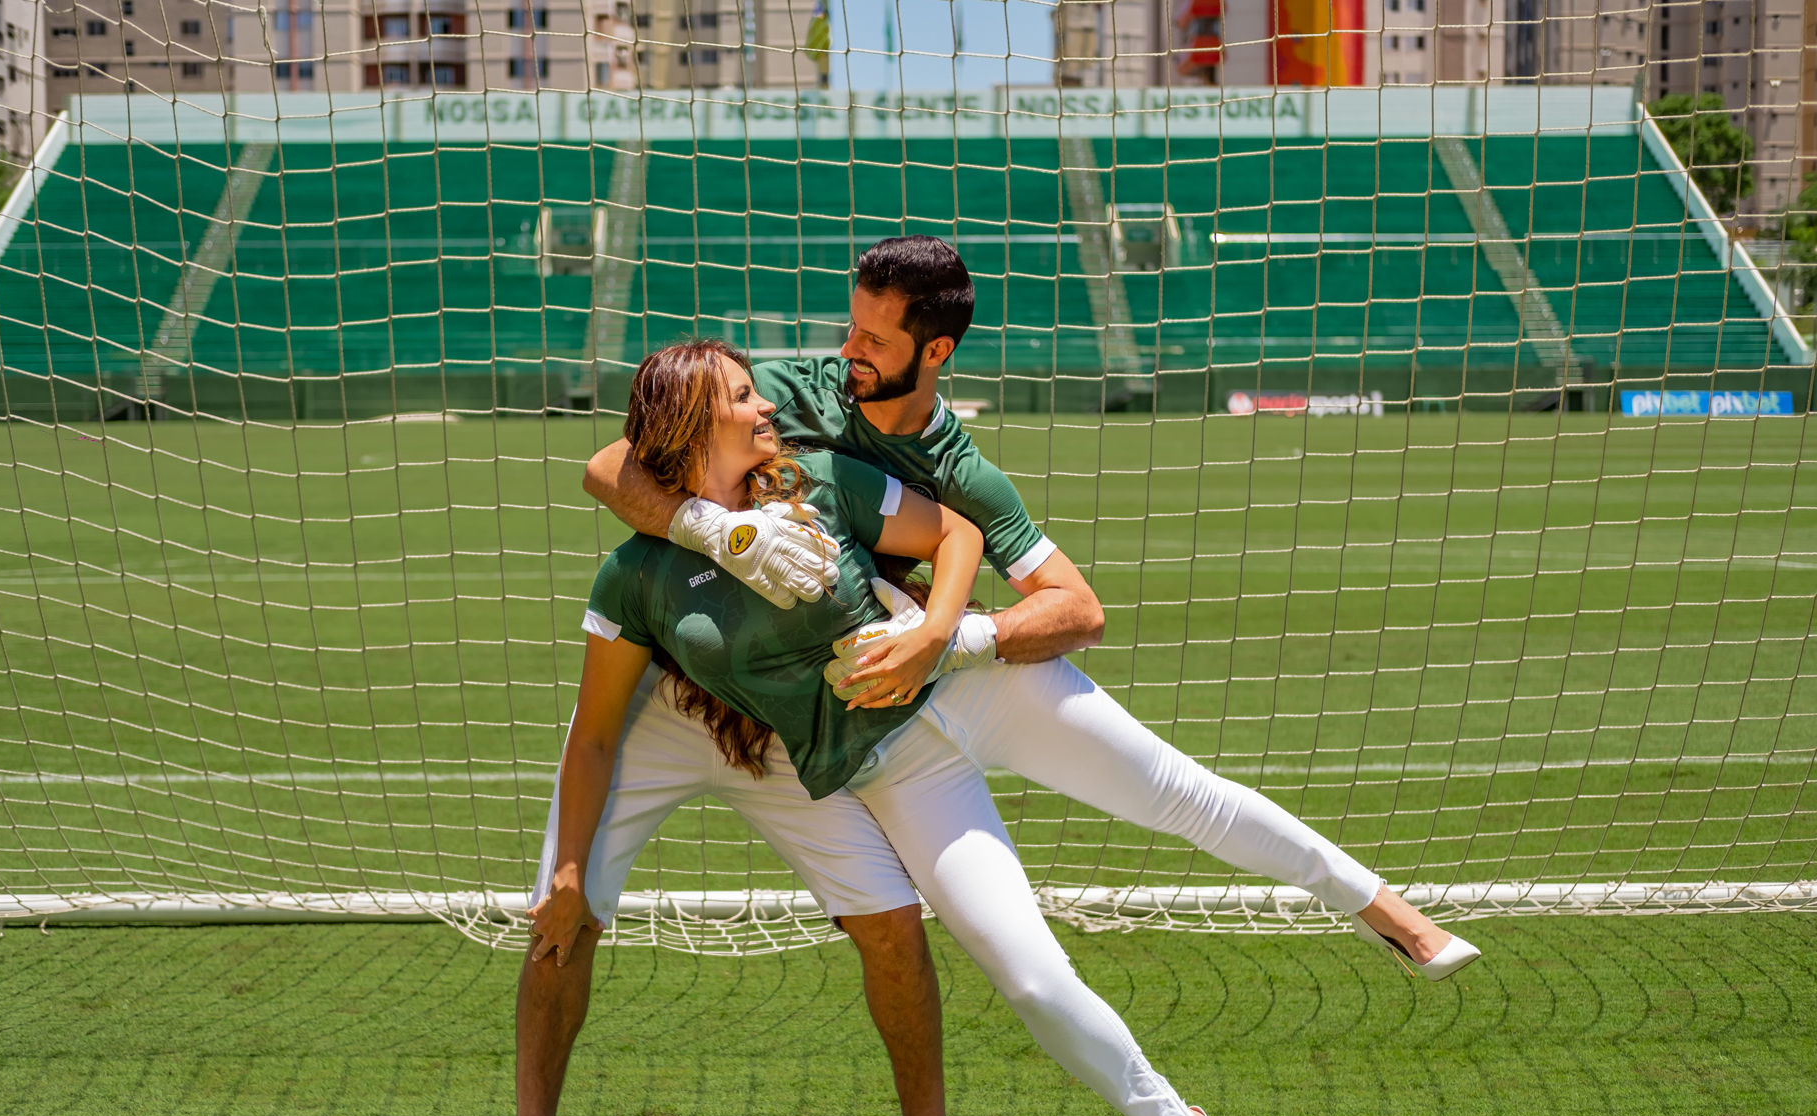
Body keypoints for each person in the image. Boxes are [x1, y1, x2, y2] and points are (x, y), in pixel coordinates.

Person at [462, 340, 1222, 1116]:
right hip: (665, 721)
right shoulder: (635, 571)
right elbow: (593, 736)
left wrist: (938, 631)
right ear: (690, 425)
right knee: (568, 910)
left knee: (892, 924)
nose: (763, 406)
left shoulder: (812, 484)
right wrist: (564, 876)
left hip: (778, 735)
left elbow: (951, 531)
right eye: (742, 397)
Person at [583, 235, 1482, 981]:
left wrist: (947, 635)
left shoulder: (964, 473)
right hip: (844, 718)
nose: (846, 352)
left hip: (955, 679)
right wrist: (718, 532)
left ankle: (1384, 909)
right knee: (998, 951)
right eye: (849, 327)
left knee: (1178, 794)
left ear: (934, 351)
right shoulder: (784, 390)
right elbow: (608, 467)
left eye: (874, 340)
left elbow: (1078, 609)